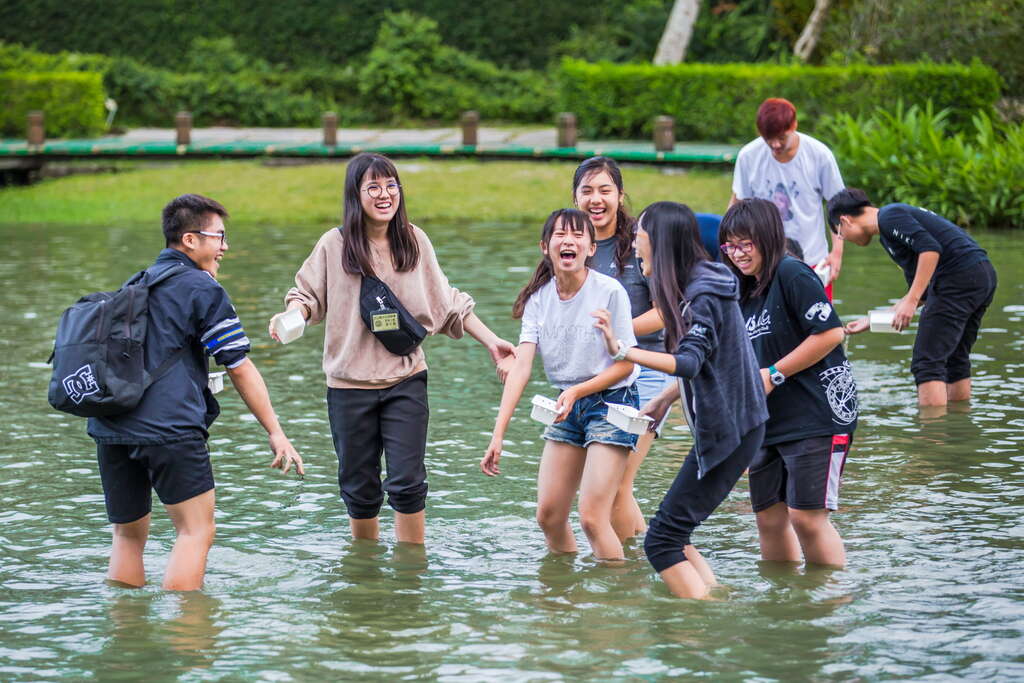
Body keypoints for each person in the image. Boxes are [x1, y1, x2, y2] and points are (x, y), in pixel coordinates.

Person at [273, 153, 514, 545]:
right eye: (373, 187)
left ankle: (411, 572)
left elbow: (448, 302)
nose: (384, 195)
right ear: (356, 194)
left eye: (391, 186)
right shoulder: (334, 245)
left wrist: (492, 341)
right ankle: (366, 573)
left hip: (405, 380)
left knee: (407, 481)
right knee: (359, 488)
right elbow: (306, 295)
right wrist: (292, 315)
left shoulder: (414, 240)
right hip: (348, 387)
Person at [88, 194, 304, 591]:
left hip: (111, 427)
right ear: (190, 239)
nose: (225, 247)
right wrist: (276, 431)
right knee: (195, 531)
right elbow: (238, 365)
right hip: (169, 428)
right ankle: (188, 643)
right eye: (218, 237)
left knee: (127, 537)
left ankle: (126, 640)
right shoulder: (201, 289)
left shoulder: (137, 282)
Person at [591, 201, 767, 598]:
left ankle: (699, 621)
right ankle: (714, 599)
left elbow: (688, 361)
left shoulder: (701, 294)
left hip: (731, 432)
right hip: (735, 426)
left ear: (662, 242)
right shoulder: (699, 283)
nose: (635, 245)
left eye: (640, 237)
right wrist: (665, 400)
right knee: (675, 533)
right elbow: (713, 362)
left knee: (661, 541)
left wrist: (623, 350)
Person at [481, 208, 640, 561]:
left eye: (578, 235)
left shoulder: (609, 291)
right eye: (560, 235)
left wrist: (579, 391)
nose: (569, 240)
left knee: (591, 519)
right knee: (549, 516)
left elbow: (628, 362)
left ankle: (616, 598)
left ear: (591, 248)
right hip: (566, 405)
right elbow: (521, 368)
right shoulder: (539, 300)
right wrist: (497, 434)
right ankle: (566, 593)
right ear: (545, 246)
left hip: (614, 403)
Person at [720, 198, 857, 568]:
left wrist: (775, 373)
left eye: (745, 244)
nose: (737, 254)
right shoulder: (741, 289)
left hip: (817, 413)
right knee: (768, 518)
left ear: (767, 236)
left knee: (806, 517)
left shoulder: (791, 273)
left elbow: (830, 334)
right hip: (767, 418)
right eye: (729, 245)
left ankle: (828, 602)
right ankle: (781, 606)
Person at [567, 156, 674, 541]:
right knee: (604, 489)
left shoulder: (640, 241)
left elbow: (667, 311)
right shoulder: (571, 242)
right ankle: (637, 561)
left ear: (620, 195)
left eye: (605, 190)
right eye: (587, 191)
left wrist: (616, 334)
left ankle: (644, 562)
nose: (596, 200)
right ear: (575, 196)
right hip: (592, 377)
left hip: (646, 370)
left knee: (616, 485)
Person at [827, 188, 997, 407]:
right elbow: (921, 294)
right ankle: (957, 426)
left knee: (926, 363)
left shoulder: (889, 216)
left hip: (958, 277)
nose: (844, 239)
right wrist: (873, 320)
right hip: (980, 276)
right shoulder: (889, 236)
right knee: (955, 358)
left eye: (839, 233)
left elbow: (930, 249)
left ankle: (931, 435)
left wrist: (912, 299)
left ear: (845, 221)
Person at [730, 98, 845, 298]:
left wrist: (837, 253)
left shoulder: (819, 155)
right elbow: (738, 205)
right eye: (768, 139)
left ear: (794, 126)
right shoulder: (748, 156)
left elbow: (838, 208)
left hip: (812, 261)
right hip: (762, 262)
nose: (775, 144)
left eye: (781, 138)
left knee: (819, 325)